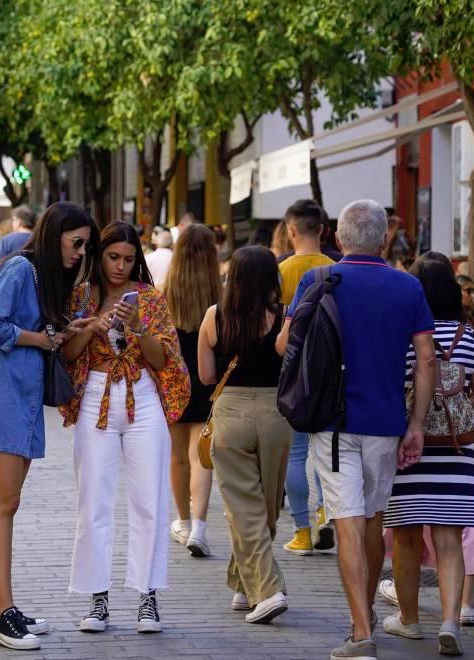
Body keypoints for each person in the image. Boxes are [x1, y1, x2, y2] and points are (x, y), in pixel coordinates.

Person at [277, 199, 436, 660]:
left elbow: (285, 342)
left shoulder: (319, 280)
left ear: (339, 239)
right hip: (387, 423)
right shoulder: (408, 287)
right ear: (384, 238)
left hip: (332, 421)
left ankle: (361, 631)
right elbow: (426, 357)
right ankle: (361, 618)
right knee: (371, 519)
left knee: (346, 520)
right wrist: (417, 424)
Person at [0, 201, 98, 650]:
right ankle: (3, 612)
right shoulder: (20, 269)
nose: (80, 253)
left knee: (2, 504)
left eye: (84, 246)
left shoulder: (35, 274)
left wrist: (61, 330)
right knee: (3, 504)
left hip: (18, 400)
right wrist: (40, 337)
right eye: (76, 243)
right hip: (1, 398)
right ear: (55, 233)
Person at [61, 222, 189, 634]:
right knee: (93, 500)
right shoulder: (81, 297)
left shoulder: (149, 299)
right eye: (113, 257)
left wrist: (136, 327)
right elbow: (67, 353)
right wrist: (95, 323)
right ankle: (98, 599)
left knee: (149, 500)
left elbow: (163, 359)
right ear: (99, 256)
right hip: (96, 393)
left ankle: (147, 597)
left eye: (128, 259)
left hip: (142, 396)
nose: (120, 266)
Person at [377, 254, 474, 655]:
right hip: (458, 454)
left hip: (410, 450)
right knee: (449, 540)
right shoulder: (467, 336)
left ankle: (408, 621)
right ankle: (449, 621)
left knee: (407, 539)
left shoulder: (403, 335)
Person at [197, 245, 291, 625]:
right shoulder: (285, 318)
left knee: (244, 507)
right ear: (272, 277)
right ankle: (251, 587)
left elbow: (205, 377)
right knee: (265, 507)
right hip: (276, 414)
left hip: (231, 413)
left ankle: (262, 590)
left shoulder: (214, 317)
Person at [276, 200, 336, 555]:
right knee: (325, 451)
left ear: (291, 230)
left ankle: (301, 531)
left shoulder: (282, 271)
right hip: (331, 375)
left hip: (295, 374)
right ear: (324, 231)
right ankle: (325, 511)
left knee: (296, 454)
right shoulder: (337, 268)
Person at [163, 224, 222, 557]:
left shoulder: (164, 293)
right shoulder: (220, 295)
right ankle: (199, 525)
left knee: (176, 456)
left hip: (172, 379)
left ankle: (183, 522)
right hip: (207, 378)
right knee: (202, 456)